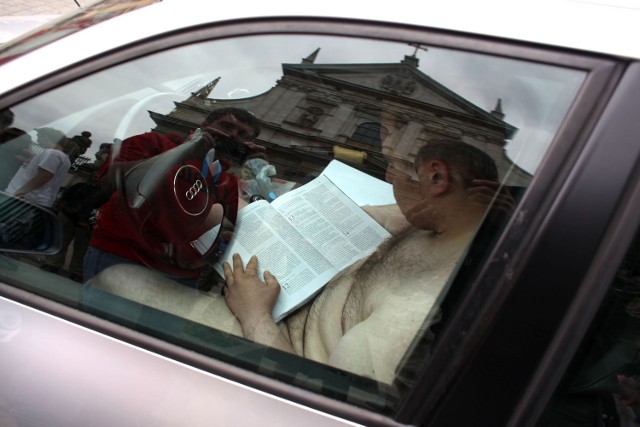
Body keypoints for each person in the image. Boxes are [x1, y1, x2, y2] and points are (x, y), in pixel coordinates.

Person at [88, 139, 509, 385]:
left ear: (436, 179)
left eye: (399, 170)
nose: (390, 180)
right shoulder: (441, 224)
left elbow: (323, 397)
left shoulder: (413, 311)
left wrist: (254, 315)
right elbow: (378, 213)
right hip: (288, 304)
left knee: (120, 280)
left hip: (275, 344)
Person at [84, 107, 266, 286]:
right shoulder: (154, 142)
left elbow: (252, 227)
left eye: (243, 134)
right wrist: (186, 152)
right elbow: (110, 181)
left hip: (183, 275)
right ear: (205, 125)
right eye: (226, 126)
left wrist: (258, 175)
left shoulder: (227, 180)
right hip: (122, 256)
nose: (233, 135)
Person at [4, 128, 77, 209]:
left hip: (24, 199)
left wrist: (18, 193)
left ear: (46, 137)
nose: (37, 139)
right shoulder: (63, 157)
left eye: (39, 136)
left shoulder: (52, 153)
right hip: (29, 200)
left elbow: (44, 177)